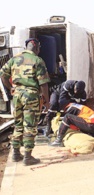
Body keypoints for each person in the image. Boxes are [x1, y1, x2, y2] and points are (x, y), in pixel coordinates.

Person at [0, 38, 50, 166]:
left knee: (18, 124)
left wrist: (10, 87)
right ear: (37, 48)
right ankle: (28, 157)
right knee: (30, 126)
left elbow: (3, 75)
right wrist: (46, 102)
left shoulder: (14, 59)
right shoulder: (38, 60)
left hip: (17, 95)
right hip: (31, 96)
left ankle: (16, 154)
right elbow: (43, 84)